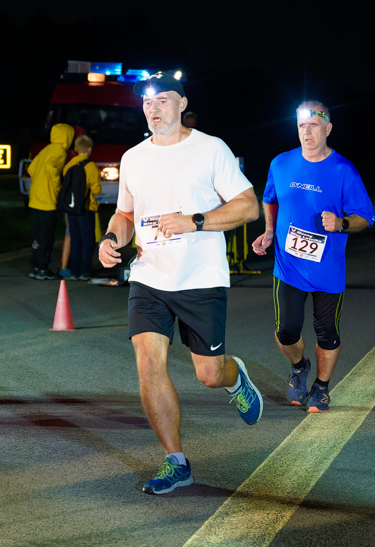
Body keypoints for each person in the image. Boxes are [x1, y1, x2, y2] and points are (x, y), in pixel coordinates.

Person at [98, 71, 262, 495]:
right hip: (149, 275)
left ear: (182, 103)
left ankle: (235, 376)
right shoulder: (134, 157)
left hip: (200, 278)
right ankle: (176, 462)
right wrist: (111, 238)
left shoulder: (210, 149)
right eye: (147, 102)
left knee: (208, 373)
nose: (153, 107)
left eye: (162, 99)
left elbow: (247, 208)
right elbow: (126, 214)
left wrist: (195, 221)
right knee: (148, 365)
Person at [252, 100, 375, 413]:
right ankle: (298, 367)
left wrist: (342, 223)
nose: (307, 132)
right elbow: (270, 198)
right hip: (288, 265)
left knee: (327, 333)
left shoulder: (343, 170)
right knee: (286, 332)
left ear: (328, 128)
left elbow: (366, 216)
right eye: (301, 126)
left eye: (314, 125)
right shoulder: (280, 163)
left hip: (328, 270)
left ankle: (321, 387)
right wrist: (269, 230)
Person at [28, 123, 75, 280]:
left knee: (37, 235)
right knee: (47, 236)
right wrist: (56, 186)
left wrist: (40, 181)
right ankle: (43, 268)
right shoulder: (60, 151)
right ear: (67, 137)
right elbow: (51, 168)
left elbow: (31, 168)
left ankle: (35, 266)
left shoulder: (46, 149)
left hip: (35, 198)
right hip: (47, 200)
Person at [62, 134, 102, 280]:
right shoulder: (90, 166)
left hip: (71, 209)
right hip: (86, 209)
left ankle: (74, 271)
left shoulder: (69, 165)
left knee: (76, 239)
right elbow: (97, 190)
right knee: (87, 240)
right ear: (89, 149)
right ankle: (85, 271)